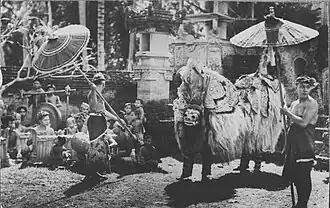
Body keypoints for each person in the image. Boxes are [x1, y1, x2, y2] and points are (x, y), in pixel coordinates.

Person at [281, 75, 319, 208]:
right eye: (301, 86)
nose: (304, 89)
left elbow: (303, 123)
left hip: (305, 143)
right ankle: (299, 203)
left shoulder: (312, 103)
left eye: (307, 87)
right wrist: (287, 145)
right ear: (296, 88)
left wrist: (287, 114)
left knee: (304, 176)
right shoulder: (294, 104)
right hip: (294, 145)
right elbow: (290, 125)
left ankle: (303, 204)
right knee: (295, 176)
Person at [84, 72, 119, 182]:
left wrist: (117, 119)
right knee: (95, 146)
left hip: (100, 121)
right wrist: (94, 91)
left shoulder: (99, 95)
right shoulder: (92, 94)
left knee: (103, 146)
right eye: (103, 84)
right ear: (102, 84)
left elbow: (103, 111)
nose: (104, 87)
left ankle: (97, 171)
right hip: (95, 122)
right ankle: (92, 172)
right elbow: (94, 107)